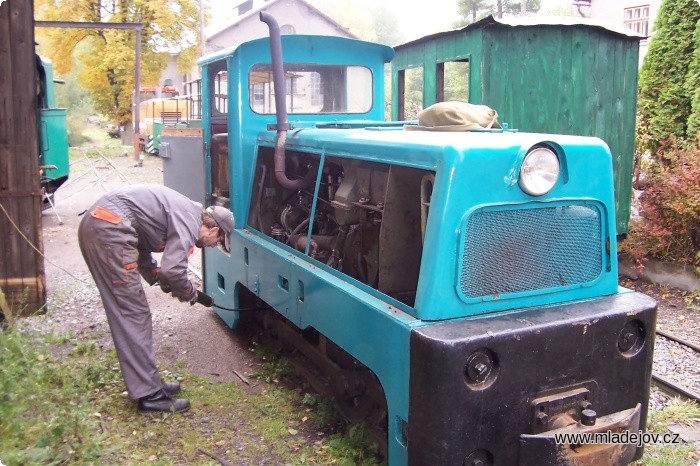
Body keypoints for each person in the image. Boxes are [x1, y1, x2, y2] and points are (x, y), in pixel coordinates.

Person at [78, 184, 234, 413]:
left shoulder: (185, 211)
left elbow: (139, 238)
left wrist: (153, 274)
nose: (214, 246)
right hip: (109, 230)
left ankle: (148, 383)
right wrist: (188, 292)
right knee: (133, 314)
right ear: (213, 230)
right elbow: (173, 271)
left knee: (133, 313)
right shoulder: (189, 220)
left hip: (106, 226)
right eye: (218, 242)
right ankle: (150, 396)